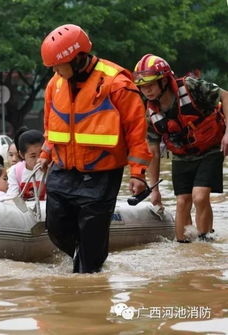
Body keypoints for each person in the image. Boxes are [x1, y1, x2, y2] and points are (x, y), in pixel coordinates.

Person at [38, 24, 152, 273]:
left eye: (58, 65)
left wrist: (137, 173)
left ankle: (90, 282)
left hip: (102, 173)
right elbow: (51, 126)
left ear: (76, 58)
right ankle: (85, 256)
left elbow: (136, 132)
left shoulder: (117, 83)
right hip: (63, 169)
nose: (55, 71)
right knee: (56, 227)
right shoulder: (54, 85)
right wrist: (45, 154)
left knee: (89, 255)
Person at [132, 54, 228, 242]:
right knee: (182, 201)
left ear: (165, 81)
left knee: (199, 197)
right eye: (142, 86)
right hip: (182, 155)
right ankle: (184, 248)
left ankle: (204, 243)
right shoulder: (151, 113)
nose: (147, 90)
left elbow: (225, 96)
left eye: (151, 84)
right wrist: (154, 189)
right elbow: (153, 151)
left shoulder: (191, 86)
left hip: (211, 147)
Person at [7, 129, 46, 200]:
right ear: (22, 155)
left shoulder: (50, 169)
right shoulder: (15, 171)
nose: (38, 160)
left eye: (41, 154)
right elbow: (12, 198)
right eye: (33, 156)